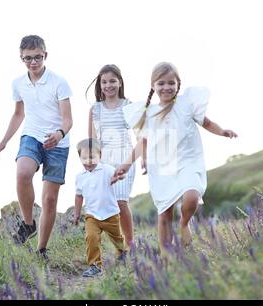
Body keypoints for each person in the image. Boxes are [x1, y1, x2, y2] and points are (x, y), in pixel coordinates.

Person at [115, 62, 237, 253]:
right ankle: (165, 256)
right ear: (153, 86)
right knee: (164, 212)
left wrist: (222, 131)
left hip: (189, 160)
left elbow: (206, 122)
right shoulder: (150, 114)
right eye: (161, 83)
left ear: (178, 84)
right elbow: (143, 143)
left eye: (171, 83)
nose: (166, 87)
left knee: (192, 196)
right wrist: (126, 164)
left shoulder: (187, 104)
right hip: (163, 166)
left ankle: (184, 222)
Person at [0, 35, 73, 260]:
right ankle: (28, 224)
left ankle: (41, 249)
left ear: (45, 55)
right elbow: (19, 114)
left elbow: (67, 120)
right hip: (32, 136)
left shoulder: (59, 82)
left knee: (49, 200)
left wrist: (59, 134)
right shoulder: (18, 84)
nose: (33, 62)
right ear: (22, 59)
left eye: (37, 57)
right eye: (28, 58)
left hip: (58, 142)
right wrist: (4, 141)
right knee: (23, 172)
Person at [86, 64, 135, 248]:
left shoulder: (128, 106)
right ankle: (119, 246)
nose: (108, 85)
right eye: (104, 82)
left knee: (121, 202)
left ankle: (131, 245)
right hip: (103, 160)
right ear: (100, 84)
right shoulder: (95, 109)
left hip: (124, 156)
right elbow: (92, 139)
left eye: (112, 81)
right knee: (108, 204)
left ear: (120, 82)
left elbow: (140, 134)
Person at [74, 138, 126, 277]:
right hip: (92, 216)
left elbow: (119, 175)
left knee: (117, 239)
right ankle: (95, 265)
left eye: (92, 157)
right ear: (79, 158)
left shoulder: (106, 170)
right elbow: (79, 196)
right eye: (84, 158)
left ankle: (123, 254)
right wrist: (77, 213)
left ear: (100, 156)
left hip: (110, 214)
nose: (88, 161)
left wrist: (119, 176)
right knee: (91, 237)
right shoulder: (80, 177)